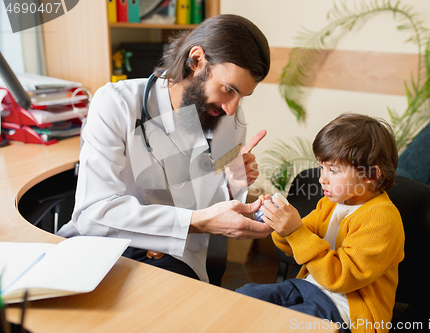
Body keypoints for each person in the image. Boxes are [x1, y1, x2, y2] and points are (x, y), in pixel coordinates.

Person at [57, 14, 273, 283]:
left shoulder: (227, 120)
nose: (231, 108)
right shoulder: (117, 104)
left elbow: (210, 208)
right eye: (228, 89)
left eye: (242, 96)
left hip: (174, 256)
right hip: (101, 245)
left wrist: (232, 182)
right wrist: (182, 224)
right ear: (196, 61)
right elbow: (93, 213)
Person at [236, 113, 405, 333]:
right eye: (322, 167)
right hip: (310, 287)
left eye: (333, 170)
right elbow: (291, 245)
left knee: (282, 325)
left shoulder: (382, 220)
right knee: (245, 297)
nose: (322, 178)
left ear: (371, 175)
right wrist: (279, 224)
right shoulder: (330, 202)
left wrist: (295, 231)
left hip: (347, 311)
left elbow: (341, 278)